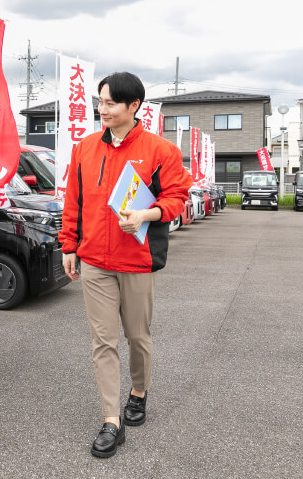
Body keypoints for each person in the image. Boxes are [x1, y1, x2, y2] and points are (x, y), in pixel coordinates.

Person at [59, 72, 191, 458]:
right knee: (103, 341)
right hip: (95, 261)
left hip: (136, 260)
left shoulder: (160, 150)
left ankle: (138, 392)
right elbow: (74, 200)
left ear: (134, 106)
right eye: (100, 102)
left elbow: (178, 196)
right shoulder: (84, 148)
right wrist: (69, 245)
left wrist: (147, 214)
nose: (103, 110)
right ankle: (110, 421)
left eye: (111, 103)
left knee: (137, 336)